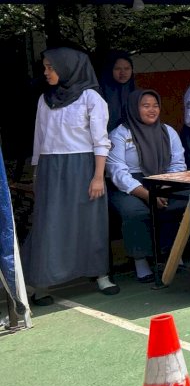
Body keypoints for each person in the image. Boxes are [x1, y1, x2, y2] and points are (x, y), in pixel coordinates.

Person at [22, 48, 117, 301]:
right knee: (50, 222)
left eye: (50, 67)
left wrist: (98, 177)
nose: (46, 72)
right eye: (45, 67)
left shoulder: (91, 98)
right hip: (51, 169)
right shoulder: (45, 99)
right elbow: (39, 139)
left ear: (67, 67)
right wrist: (35, 174)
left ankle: (99, 275)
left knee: (89, 221)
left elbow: (101, 140)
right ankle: (42, 282)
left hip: (84, 167)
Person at [106, 89, 187, 283]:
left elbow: (178, 164)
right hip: (129, 186)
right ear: (134, 109)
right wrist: (148, 194)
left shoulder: (168, 131)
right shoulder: (119, 134)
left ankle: (172, 254)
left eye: (155, 105)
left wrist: (166, 188)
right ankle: (141, 261)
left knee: (181, 203)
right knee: (135, 212)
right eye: (145, 106)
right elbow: (118, 173)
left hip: (163, 181)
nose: (152, 110)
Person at [98, 51, 137, 133]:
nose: (123, 73)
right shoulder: (100, 93)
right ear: (110, 70)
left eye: (127, 68)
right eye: (117, 69)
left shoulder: (137, 93)